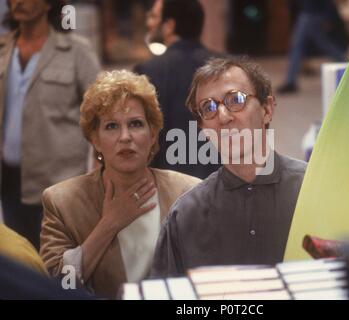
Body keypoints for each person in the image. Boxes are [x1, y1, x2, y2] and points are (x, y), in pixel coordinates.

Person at [39, 70, 201, 299]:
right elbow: (57, 285)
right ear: (94, 139)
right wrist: (109, 225)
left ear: (152, 134)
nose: (125, 137)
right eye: (111, 126)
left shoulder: (188, 192)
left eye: (135, 124)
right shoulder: (61, 201)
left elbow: (208, 276)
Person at [150, 57, 306, 277]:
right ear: (203, 128)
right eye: (208, 108)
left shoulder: (313, 189)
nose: (223, 117)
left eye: (235, 100)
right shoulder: (185, 216)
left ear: (267, 109)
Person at [0, 0, 101, 250]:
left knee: (59, 270)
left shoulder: (76, 51)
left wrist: (100, 173)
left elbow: (103, 112)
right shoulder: (3, 50)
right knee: (22, 267)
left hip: (60, 186)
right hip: (11, 185)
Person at [134, 0, 221, 179]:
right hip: (222, 186)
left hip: (170, 189)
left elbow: (142, 141)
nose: (149, 22)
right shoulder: (231, 68)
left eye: (155, 17)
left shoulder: (149, 71)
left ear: (169, 25)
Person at [278, 0, 348, 94]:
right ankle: (347, 62)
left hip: (310, 14)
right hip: (311, 14)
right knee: (322, 45)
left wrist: (327, 16)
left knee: (298, 47)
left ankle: (291, 81)